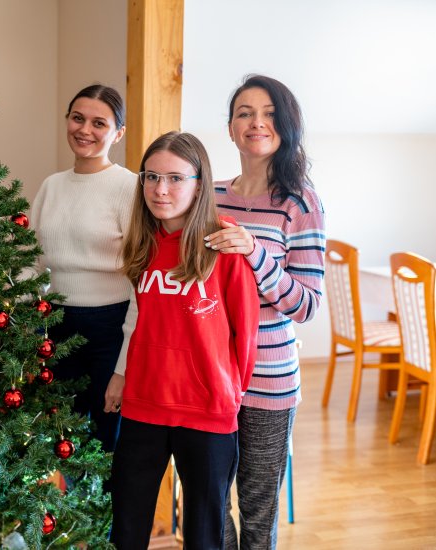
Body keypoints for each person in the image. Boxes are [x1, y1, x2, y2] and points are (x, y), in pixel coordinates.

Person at [106, 132, 259, 549]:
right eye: (151, 176)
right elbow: (137, 321)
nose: (160, 189)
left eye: (175, 178)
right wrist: (122, 376)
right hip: (144, 405)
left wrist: (230, 392)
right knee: (127, 528)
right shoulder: (141, 243)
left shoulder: (224, 245)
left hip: (207, 410)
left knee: (204, 535)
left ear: (199, 182)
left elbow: (245, 332)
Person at [204, 75, 326, 550]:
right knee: (209, 505)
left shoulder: (300, 203)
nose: (257, 122)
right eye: (245, 113)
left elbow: (306, 305)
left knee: (257, 514)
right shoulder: (207, 196)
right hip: (210, 377)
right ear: (231, 128)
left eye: (270, 113)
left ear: (286, 125)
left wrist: (255, 251)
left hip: (268, 381)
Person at [29, 84, 135, 453]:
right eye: (77, 118)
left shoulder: (129, 188)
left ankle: (112, 513)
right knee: (62, 442)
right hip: (56, 325)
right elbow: (32, 262)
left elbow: (140, 281)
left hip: (112, 329)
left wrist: (122, 367)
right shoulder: (51, 186)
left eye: (98, 123)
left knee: (108, 443)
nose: (84, 130)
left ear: (118, 133)